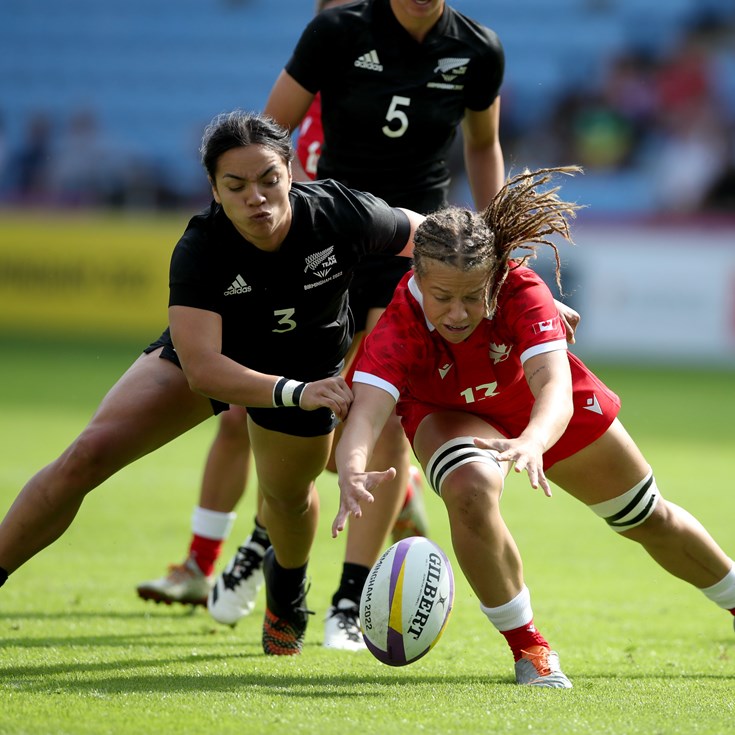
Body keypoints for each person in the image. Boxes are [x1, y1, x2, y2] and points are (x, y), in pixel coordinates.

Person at [0, 110, 426, 656]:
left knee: (287, 499)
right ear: (214, 190)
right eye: (236, 185)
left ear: (291, 173)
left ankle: (288, 591)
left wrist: (517, 288)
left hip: (304, 366)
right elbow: (202, 369)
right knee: (85, 456)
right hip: (227, 362)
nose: (257, 197)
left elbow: (439, 239)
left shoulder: (340, 212)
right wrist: (294, 392)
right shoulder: (202, 245)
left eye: (269, 179)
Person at [332, 167, 735, 687]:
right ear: (418, 281)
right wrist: (352, 468)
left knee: (646, 517)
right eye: (442, 297)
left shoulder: (523, 288)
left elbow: (555, 391)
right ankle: (530, 649)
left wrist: (533, 441)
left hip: (535, 409)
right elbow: (365, 413)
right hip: (445, 410)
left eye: (472, 297)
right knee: (470, 488)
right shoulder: (400, 320)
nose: (457, 313)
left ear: (496, 280)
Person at [204, 0, 510, 651]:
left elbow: (482, 145)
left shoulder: (477, 50)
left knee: (386, 409)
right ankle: (264, 536)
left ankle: (348, 598)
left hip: (412, 244)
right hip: (331, 236)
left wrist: (496, 247)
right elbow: (268, 133)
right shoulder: (339, 32)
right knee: (302, 421)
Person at [135, 0, 430, 618]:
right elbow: (247, 167)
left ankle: (333, 583)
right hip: (298, 253)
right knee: (249, 419)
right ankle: (214, 556)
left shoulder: (411, 77)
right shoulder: (300, 110)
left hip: (362, 248)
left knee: (363, 413)